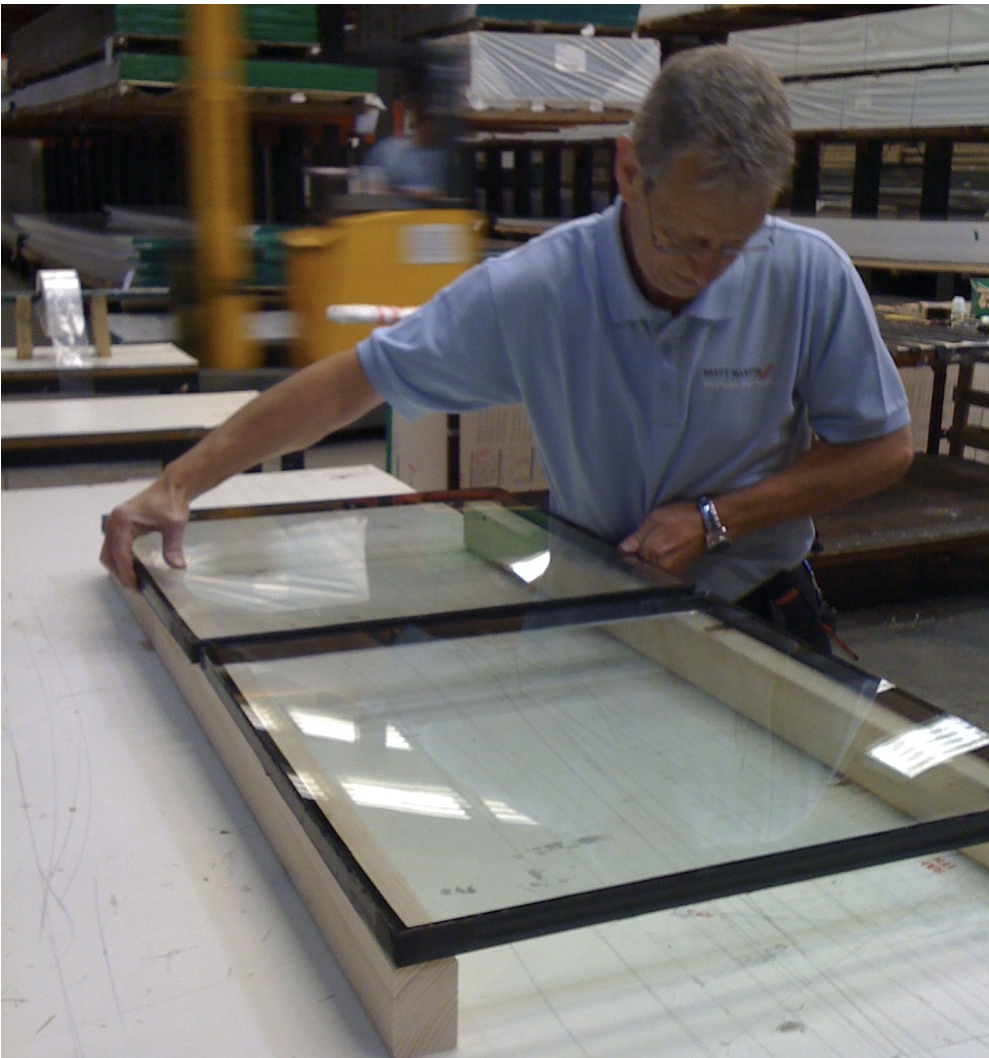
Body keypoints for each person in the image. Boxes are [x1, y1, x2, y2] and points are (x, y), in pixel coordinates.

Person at [101, 45, 914, 653]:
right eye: (684, 241)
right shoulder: (539, 291)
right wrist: (178, 484)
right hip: (599, 606)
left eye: (732, 246)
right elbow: (352, 385)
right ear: (629, 171)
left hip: (761, 607)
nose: (706, 272)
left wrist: (717, 519)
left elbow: (880, 448)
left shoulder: (805, 274)